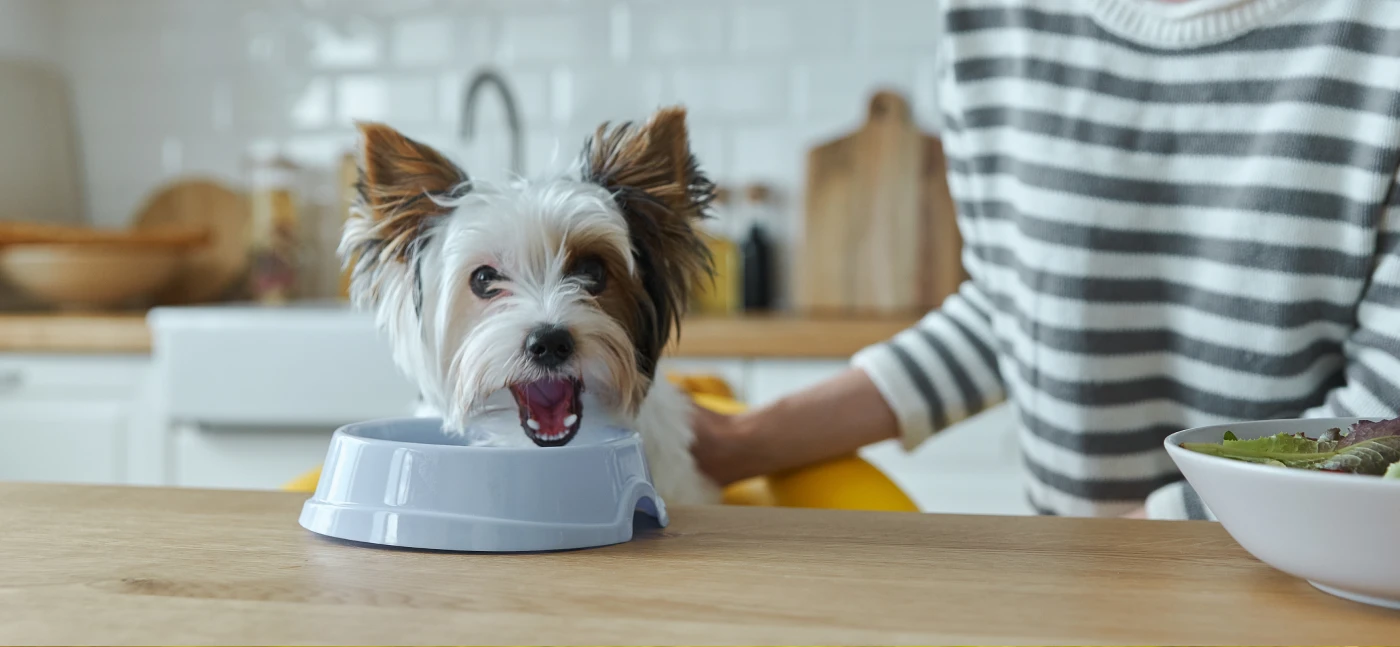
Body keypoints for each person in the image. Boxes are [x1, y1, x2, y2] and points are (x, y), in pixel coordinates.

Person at [690, 0, 1400, 520]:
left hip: (1306, 588)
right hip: (1082, 583)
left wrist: (1146, 541)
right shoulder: (992, 20)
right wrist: (741, 441)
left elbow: (1387, 417)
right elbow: (1012, 305)